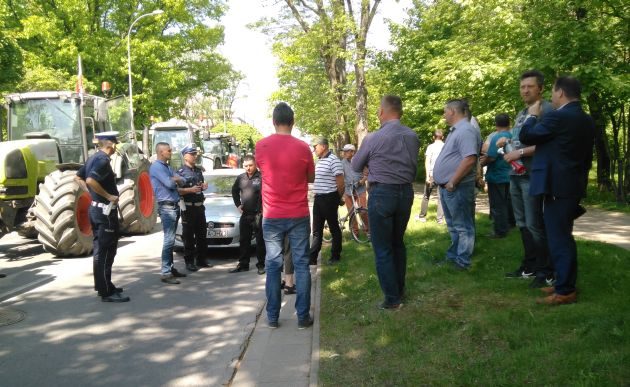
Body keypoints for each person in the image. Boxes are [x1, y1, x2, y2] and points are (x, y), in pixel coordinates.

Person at [520, 76, 594, 305]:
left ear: (560, 93)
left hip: (558, 187)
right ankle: (563, 282)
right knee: (563, 237)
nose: (551, 97)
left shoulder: (559, 117)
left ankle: (565, 291)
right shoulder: (586, 119)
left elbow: (526, 136)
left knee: (559, 239)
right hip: (572, 185)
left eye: (552, 92)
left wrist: (532, 115)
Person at [352, 95, 420, 310]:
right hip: (405, 194)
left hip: (382, 194)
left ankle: (392, 299)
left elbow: (355, 165)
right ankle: (399, 289)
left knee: (382, 248)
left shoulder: (373, 138)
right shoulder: (412, 136)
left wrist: (370, 165)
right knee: (398, 243)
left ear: (382, 112)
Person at [256, 102, 315, 329]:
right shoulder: (303, 148)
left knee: (273, 265)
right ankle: (302, 317)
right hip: (298, 213)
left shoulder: (261, 146)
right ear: (293, 122)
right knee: (301, 264)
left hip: (272, 215)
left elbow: (266, 172)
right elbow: (310, 177)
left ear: (273, 121)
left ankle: (272, 317)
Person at [499, 70, 555, 288]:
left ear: (540, 88)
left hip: (533, 175)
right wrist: (507, 140)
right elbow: (520, 138)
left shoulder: (546, 109)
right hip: (516, 174)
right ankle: (530, 265)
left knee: (534, 224)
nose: (525, 90)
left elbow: (548, 142)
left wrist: (519, 154)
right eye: (522, 87)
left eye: (530, 86)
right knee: (522, 223)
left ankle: (546, 271)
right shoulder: (523, 112)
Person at [75, 131, 129, 302]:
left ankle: (104, 285)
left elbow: (78, 177)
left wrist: (92, 194)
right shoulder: (102, 160)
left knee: (102, 251)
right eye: (116, 144)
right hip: (104, 212)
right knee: (105, 251)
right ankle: (106, 291)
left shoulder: (93, 157)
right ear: (111, 144)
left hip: (98, 210)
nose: (116, 148)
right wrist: (107, 196)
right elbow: (90, 180)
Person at [433, 99, 482, 270]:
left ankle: (462, 261)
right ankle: (454, 256)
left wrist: (453, 181)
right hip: (449, 187)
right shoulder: (457, 130)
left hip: (457, 187)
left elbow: (469, 159)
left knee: (463, 226)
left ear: (453, 111)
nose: (444, 115)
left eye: (445, 111)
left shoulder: (466, 130)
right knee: (454, 225)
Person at [149, 142, 191, 285]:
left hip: (173, 206)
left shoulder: (167, 167)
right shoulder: (156, 167)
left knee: (171, 239)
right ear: (161, 152)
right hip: (167, 207)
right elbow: (170, 184)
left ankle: (171, 268)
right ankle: (166, 272)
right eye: (169, 150)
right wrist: (175, 179)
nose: (171, 152)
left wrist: (176, 179)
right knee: (169, 239)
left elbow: (183, 181)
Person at [309, 136, 344, 265]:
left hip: (329, 198)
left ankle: (335, 255)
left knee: (334, 227)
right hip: (318, 198)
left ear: (323, 146)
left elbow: (340, 182)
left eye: (315, 146)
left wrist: (337, 198)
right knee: (316, 230)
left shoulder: (333, 160)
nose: (314, 149)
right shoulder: (320, 161)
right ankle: (312, 258)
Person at [176, 144, 211, 272]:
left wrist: (203, 186)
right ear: (185, 156)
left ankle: (202, 259)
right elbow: (177, 190)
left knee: (202, 235)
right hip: (188, 208)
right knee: (189, 236)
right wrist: (189, 190)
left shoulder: (198, 170)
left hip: (199, 207)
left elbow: (199, 185)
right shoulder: (180, 172)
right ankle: (189, 261)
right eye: (192, 154)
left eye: (195, 154)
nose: (195, 156)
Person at [230, 155, 266, 275]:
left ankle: (261, 265)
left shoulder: (262, 177)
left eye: (251, 165)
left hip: (259, 214)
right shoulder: (241, 178)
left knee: (260, 241)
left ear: (255, 164)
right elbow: (234, 191)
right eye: (246, 166)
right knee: (244, 240)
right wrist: (238, 205)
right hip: (245, 214)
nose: (248, 168)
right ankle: (243, 264)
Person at [480, 114, 513, 238]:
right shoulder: (512, 135)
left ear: (496, 124)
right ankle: (508, 225)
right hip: (510, 174)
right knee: (506, 203)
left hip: (496, 176)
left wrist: (481, 163)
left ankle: (500, 231)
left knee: (497, 205)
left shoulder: (496, 137)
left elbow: (492, 157)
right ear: (509, 123)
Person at [416, 130, 444, 223]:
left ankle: (422, 216)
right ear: (442, 137)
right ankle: (440, 219)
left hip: (432, 175)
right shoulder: (445, 147)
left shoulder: (430, 147)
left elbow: (427, 161)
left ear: (433, 137)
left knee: (426, 196)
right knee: (441, 198)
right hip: (443, 175)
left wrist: (427, 176)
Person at [341, 144, 369, 235]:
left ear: (353, 152)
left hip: (360, 189)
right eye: (344, 151)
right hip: (348, 190)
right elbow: (341, 176)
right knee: (351, 212)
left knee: (363, 211)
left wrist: (362, 181)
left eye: (347, 151)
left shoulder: (360, 161)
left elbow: (366, 173)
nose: (344, 153)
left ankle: (368, 231)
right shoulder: (342, 162)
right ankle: (355, 232)